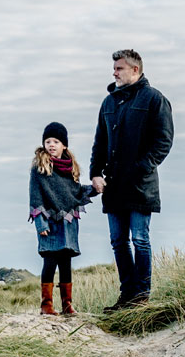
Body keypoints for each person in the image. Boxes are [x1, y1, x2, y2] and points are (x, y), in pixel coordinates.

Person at [90, 49, 174, 313]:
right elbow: (100, 143)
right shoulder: (109, 103)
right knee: (118, 241)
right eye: (114, 68)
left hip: (140, 185)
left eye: (119, 68)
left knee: (140, 239)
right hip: (113, 186)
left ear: (135, 70)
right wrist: (95, 173)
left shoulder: (154, 99)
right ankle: (127, 296)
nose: (114, 72)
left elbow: (164, 141)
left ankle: (142, 297)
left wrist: (141, 168)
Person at [29, 122, 97, 316]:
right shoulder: (39, 168)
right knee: (50, 261)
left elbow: (76, 193)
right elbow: (35, 197)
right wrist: (40, 223)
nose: (51, 144)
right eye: (48, 141)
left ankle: (67, 305)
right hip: (49, 222)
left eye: (56, 141)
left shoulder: (70, 169)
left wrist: (95, 188)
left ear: (64, 145)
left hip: (67, 223)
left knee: (66, 263)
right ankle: (46, 305)